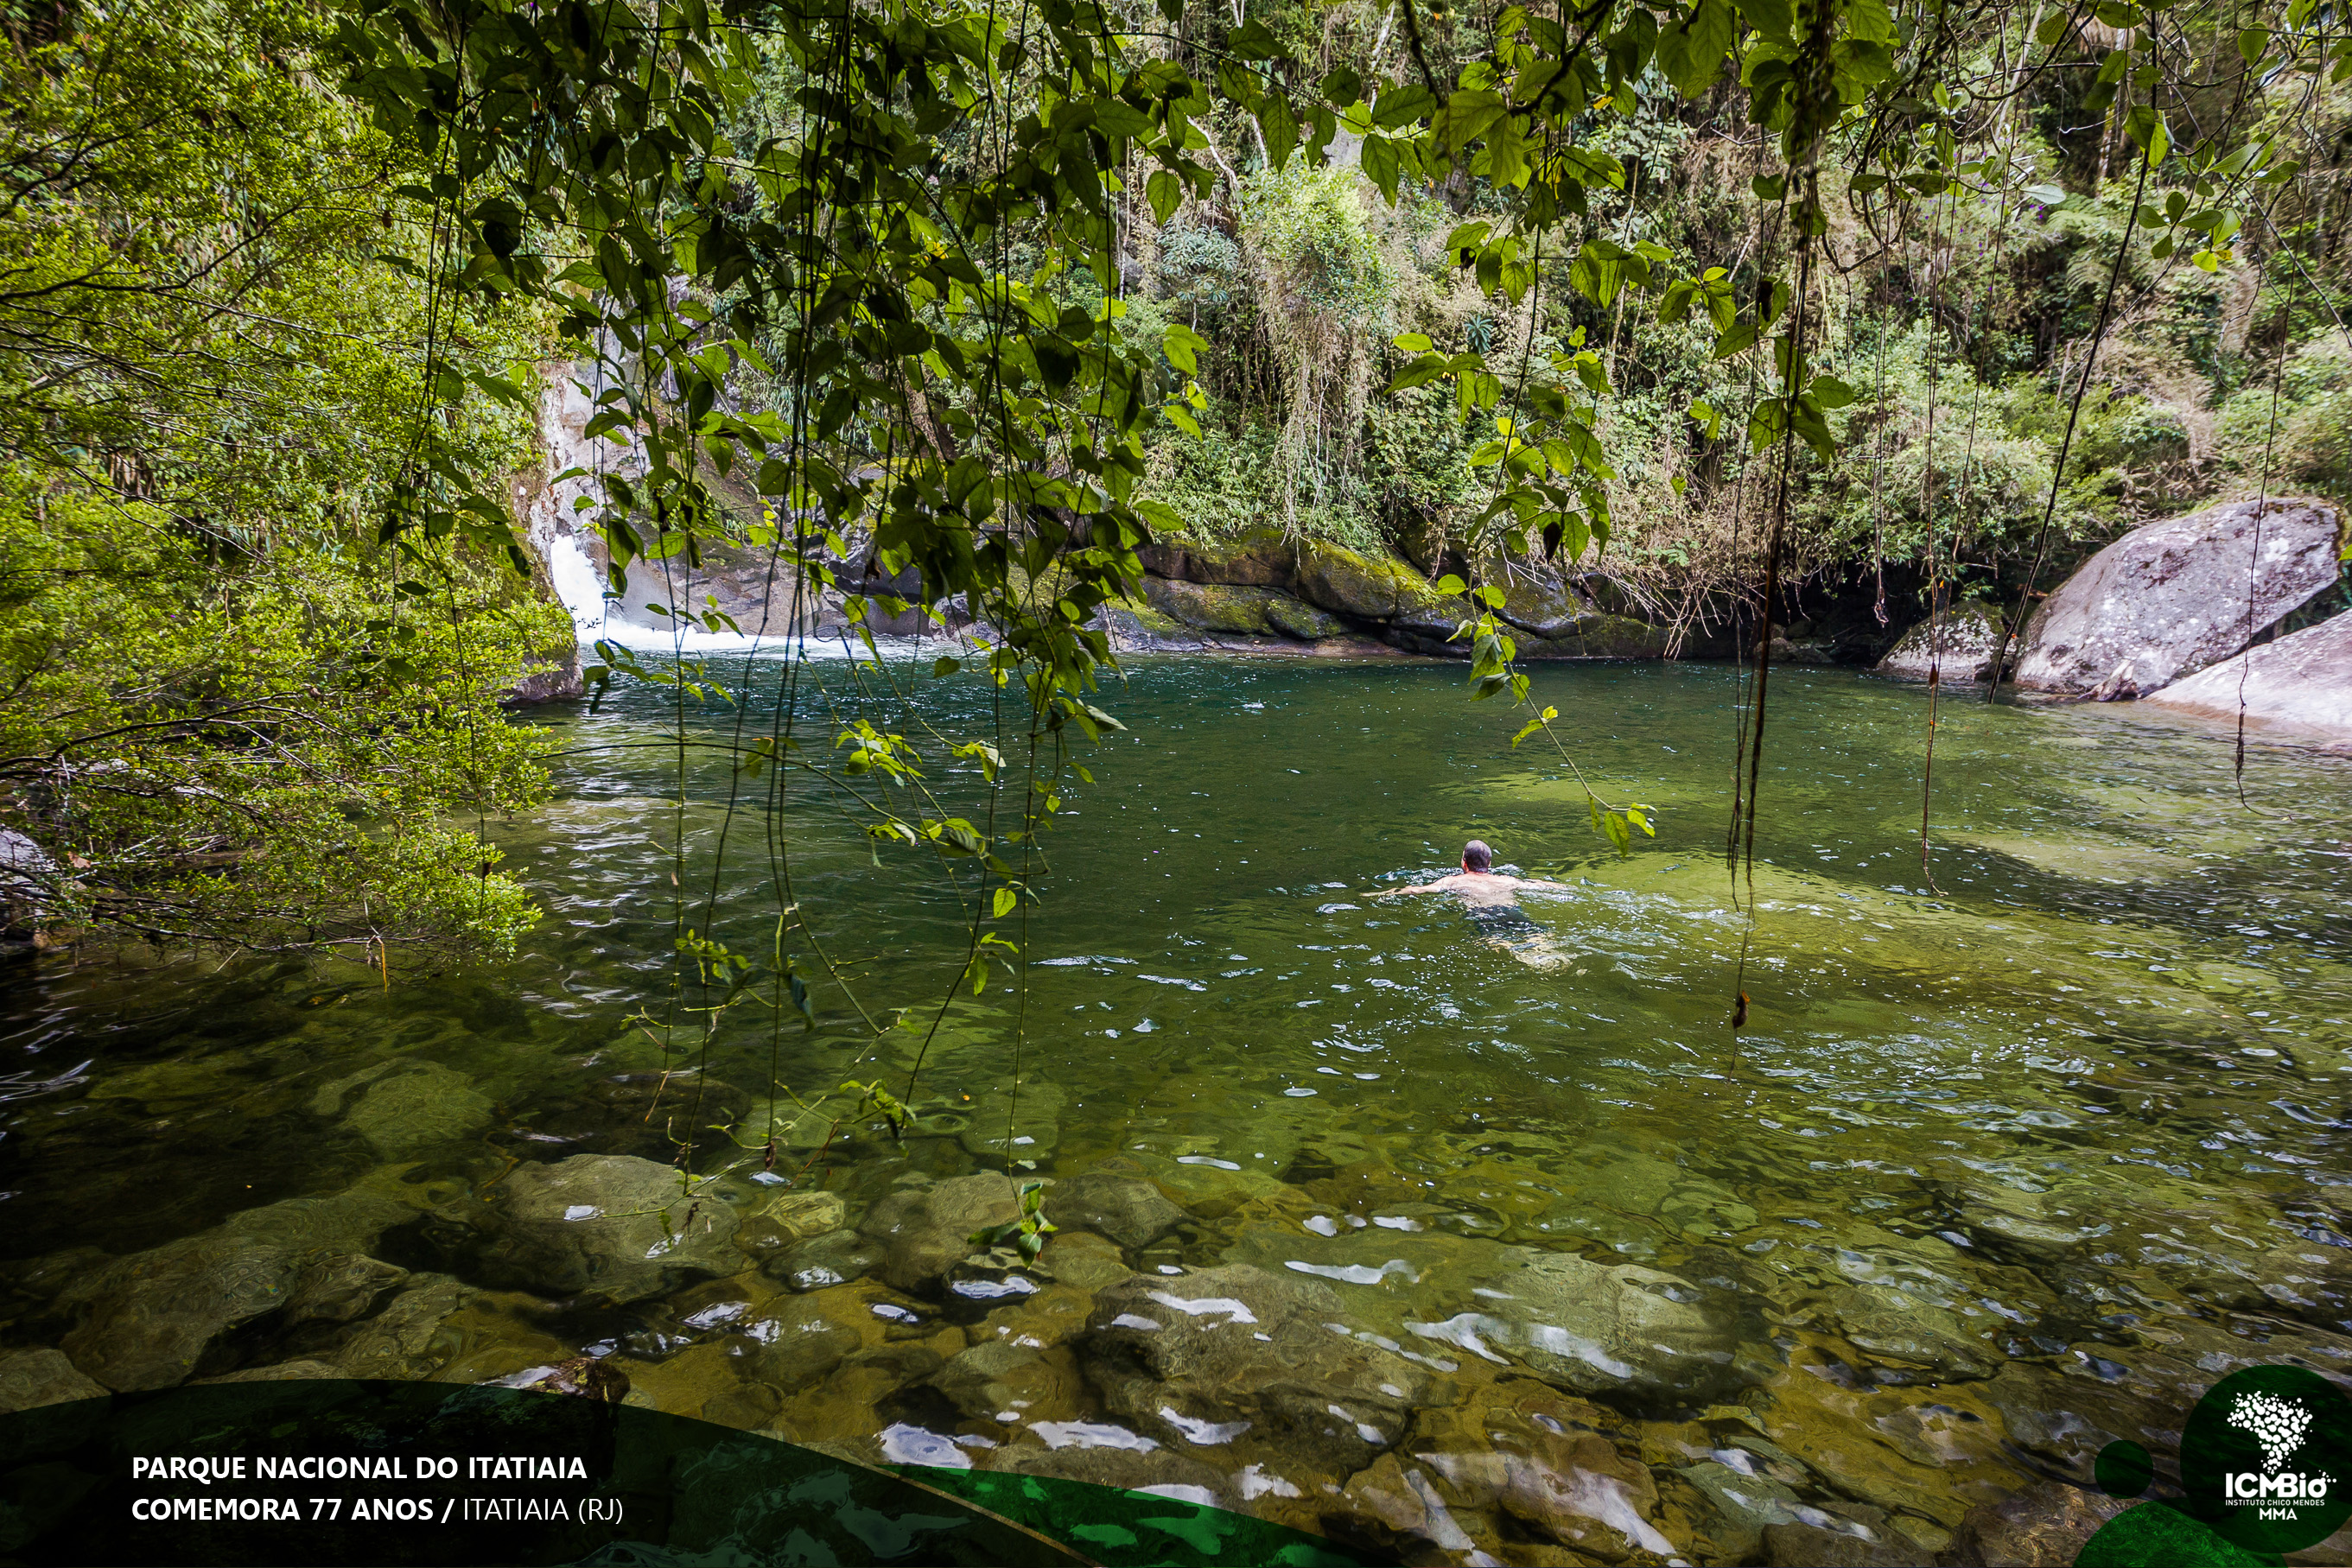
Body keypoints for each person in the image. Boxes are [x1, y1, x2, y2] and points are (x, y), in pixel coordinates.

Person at [1370, 840, 1577, 969]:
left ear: (1463, 862)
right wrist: (1567, 887)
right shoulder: (1506, 880)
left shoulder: (1453, 881)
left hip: (1484, 917)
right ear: (1489, 864)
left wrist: (1381, 893)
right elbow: (1539, 885)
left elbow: (1416, 890)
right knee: (1538, 938)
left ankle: (1531, 960)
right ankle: (1562, 961)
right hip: (1514, 913)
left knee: (1507, 946)